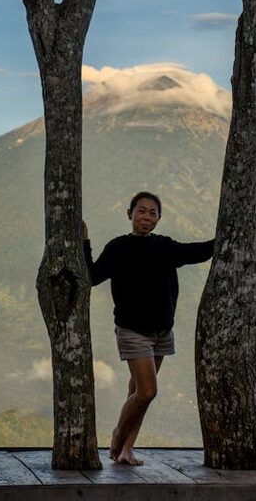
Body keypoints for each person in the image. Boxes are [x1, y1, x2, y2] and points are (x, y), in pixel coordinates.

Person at [82, 191, 214, 465]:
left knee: (138, 394)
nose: (147, 216)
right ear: (129, 214)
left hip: (162, 331)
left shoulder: (165, 246)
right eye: (141, 210)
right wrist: (84, 243)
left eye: (153, 212)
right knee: (147, 392)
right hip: (133, 330)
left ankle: (128, 449)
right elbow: (92, 277)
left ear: (158, 219)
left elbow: (198, 251)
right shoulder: (118, 248)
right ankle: (118, 435)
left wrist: (226, 235)